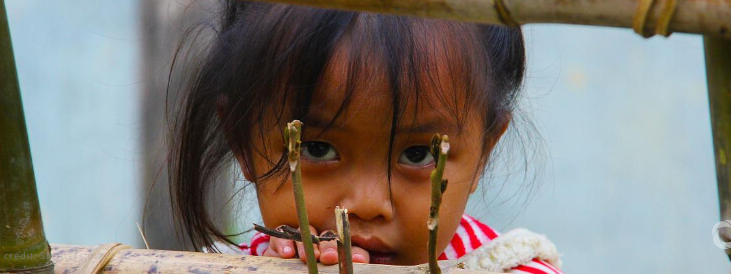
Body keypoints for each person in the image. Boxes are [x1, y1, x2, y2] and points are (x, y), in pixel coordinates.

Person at [169, 1, 562, 273]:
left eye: (418, 154)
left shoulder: (510, 268)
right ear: (242, 143)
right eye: (317, 148)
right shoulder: (227, 268)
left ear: (483, 154)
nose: (368, 204)